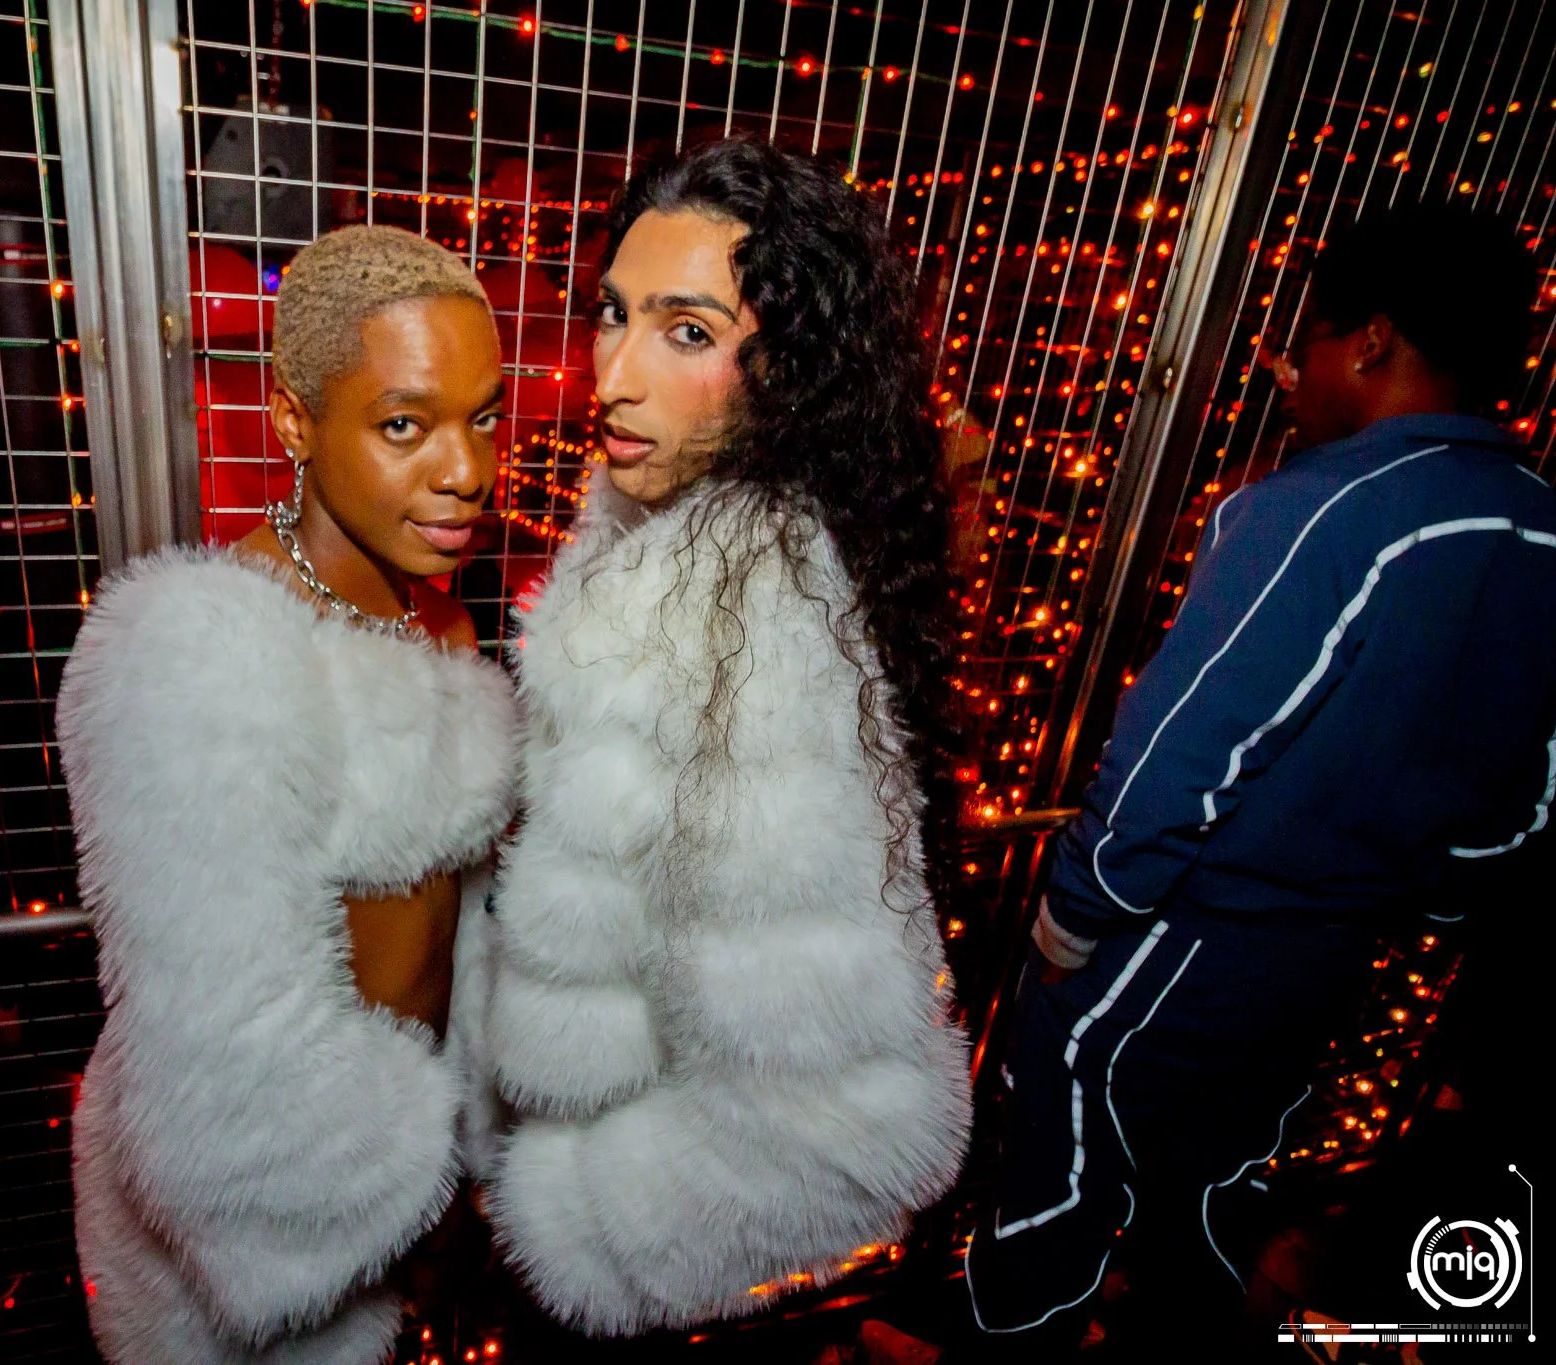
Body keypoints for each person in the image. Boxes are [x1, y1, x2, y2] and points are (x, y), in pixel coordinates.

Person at [963, 204, 1556, 1357]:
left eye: (1306, 341)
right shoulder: (1537, 524)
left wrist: (1073, 912)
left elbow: (1179, 751)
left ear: (1371, 341)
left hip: (1178, 943)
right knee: (1216, 1194)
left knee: (1055, 1183)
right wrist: (1426, 893)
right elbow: (1534, 789)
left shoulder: (1316, 509)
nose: (1289, 373)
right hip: (1333, 960)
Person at [480, 137, 974, 1336]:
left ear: (785, 370)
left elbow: (850, 1136)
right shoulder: (661, 533)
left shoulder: (739, 620)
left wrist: (569, 1221)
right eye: (613, 314)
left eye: (687, 332)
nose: (612, 376)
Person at [58, 226, 515, 1364]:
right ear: (294, 422)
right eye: (404, 424)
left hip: (411, 1202)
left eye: (484, 417)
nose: (466, 469)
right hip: (270, 1248)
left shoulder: (445, 622)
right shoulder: (207, 659)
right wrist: (411, 1193)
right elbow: (220, 1077)